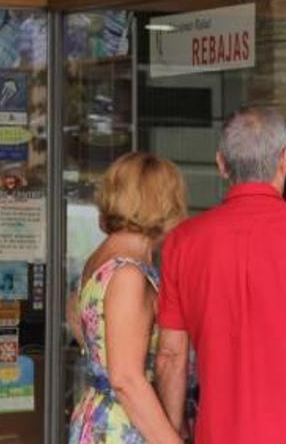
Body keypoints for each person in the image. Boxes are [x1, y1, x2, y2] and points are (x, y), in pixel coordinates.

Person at [156, 108, 286, 444]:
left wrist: (174, 427)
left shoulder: (182, 243)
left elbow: (170, 355)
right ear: (285, 159)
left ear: (221, 164)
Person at [68, 152, 186, 444]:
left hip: (99, 416)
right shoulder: (128, 274)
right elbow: (126, 380)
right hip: (123, 427)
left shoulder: (99, 261)